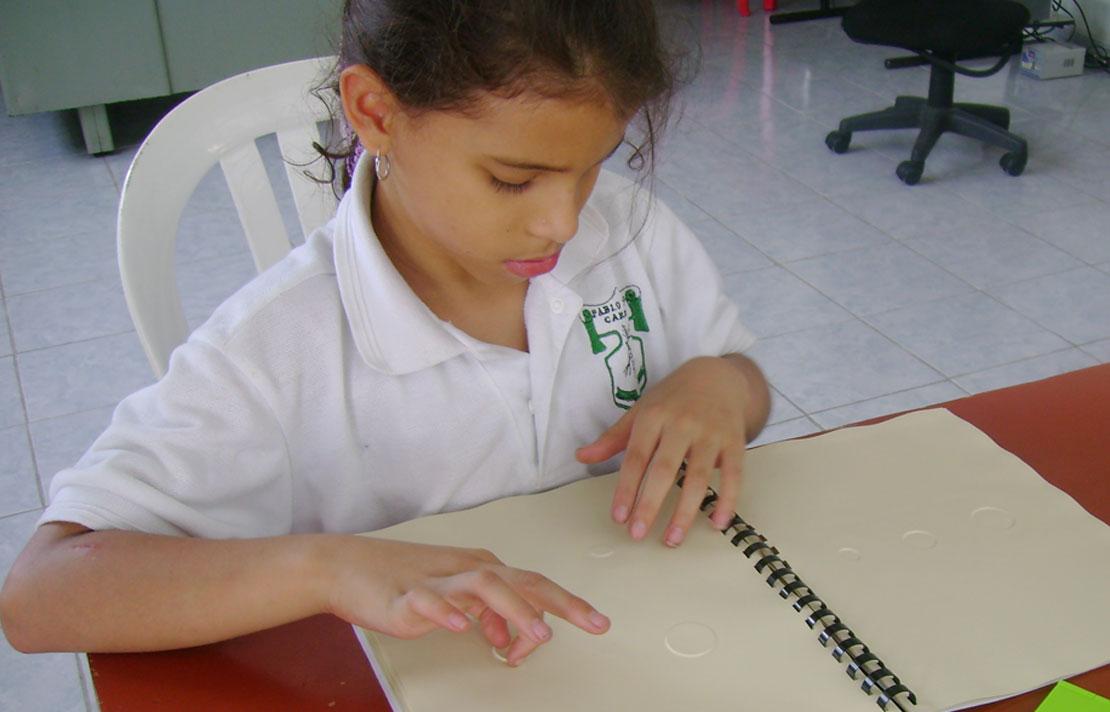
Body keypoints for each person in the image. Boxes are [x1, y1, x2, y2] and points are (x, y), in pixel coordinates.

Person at [0, 0, 770, 667]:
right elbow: (42, 593)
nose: (563, 222)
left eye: (593, 165)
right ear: (375, 112)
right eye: (512, 178)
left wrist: (722, 385)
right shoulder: (278, 346)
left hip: (643, 643)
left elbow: (743, 382)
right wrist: (325, 569)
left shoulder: (631, 231)